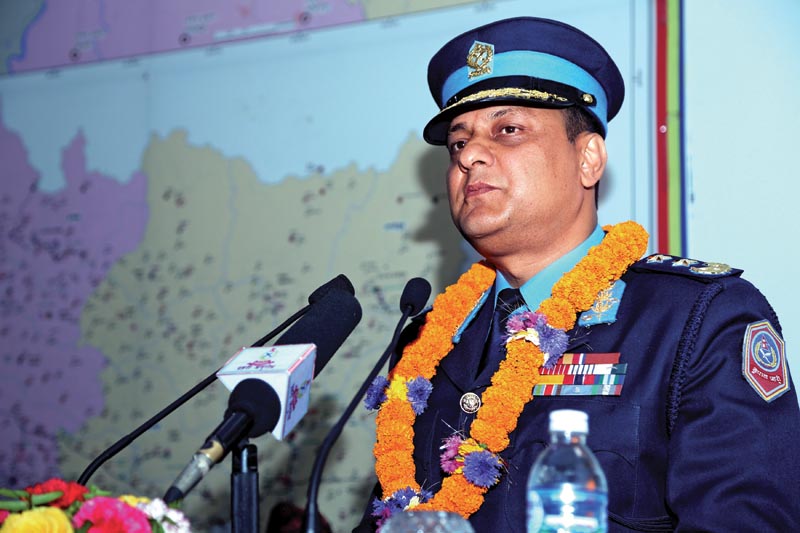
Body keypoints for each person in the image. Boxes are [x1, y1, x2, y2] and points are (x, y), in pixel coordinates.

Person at [356, 16, 800, 532]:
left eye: (508, 130)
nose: (469, 155)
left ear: (589, 159)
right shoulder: (427, 338)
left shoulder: (697, 319)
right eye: (458, 143)